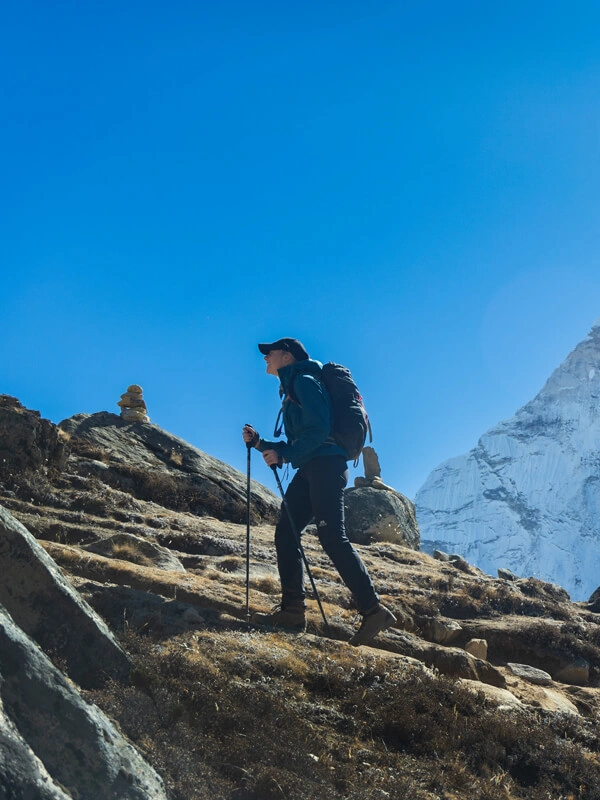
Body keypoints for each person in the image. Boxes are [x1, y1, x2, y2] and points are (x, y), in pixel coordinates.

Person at [242, 337, 396, 647]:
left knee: (331, 537)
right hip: (313, 467)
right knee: (286, 532)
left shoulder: (305, 382)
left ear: (286, 356)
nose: (265, 359)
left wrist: (284, 456)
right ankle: (292, 612)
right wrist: (262, 444)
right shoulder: (293, 385)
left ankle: (374, 609)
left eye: (268, 353)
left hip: (325, 467)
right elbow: (304, 440)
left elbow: (318, 431)